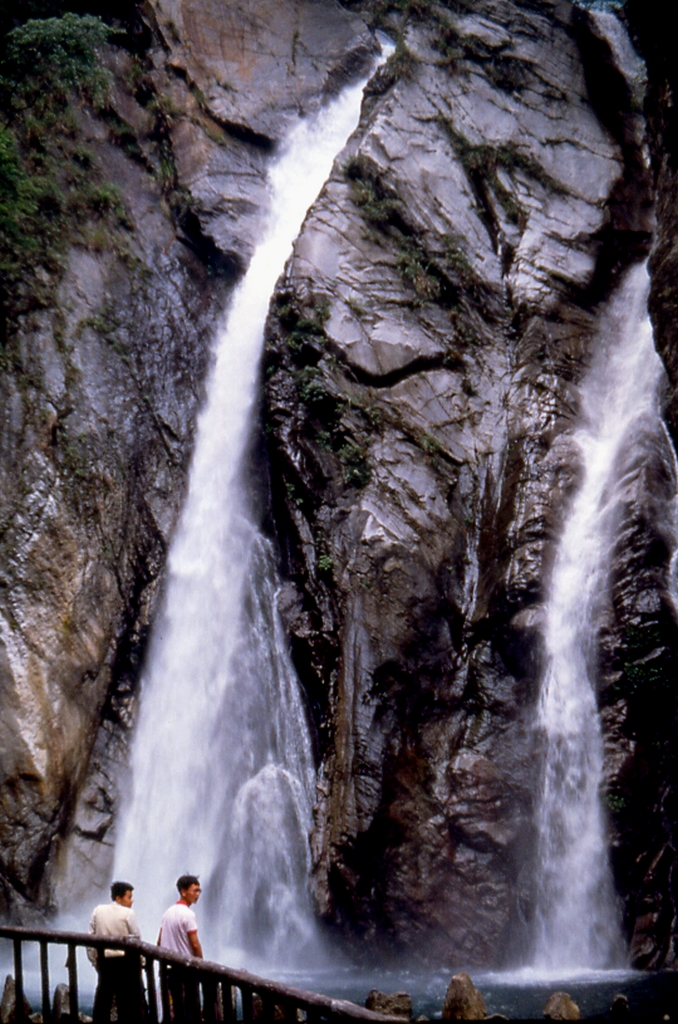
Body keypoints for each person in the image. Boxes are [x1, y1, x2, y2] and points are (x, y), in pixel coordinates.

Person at [88, 880, 144, 1024]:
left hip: (104, 960)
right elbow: (137, 939)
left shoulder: (98, 910)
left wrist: (94, 960)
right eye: (129, 897)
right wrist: (142, 962)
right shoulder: (128, 914)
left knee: (103, 997)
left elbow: (90, 937)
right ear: (118, 898)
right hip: (125, 962)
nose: (132, 900)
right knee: (124, 998)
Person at [157, 875, 203, 1021]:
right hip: (186, 969)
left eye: (199, 891)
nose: (197, 894)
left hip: (168, 968)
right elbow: (195, 944)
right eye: (194, 891)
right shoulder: (188, 915)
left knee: (174, 1007)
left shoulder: (167, 913)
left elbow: (159, 941)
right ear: (183, 892)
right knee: (190, 1006)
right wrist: (201, 964)